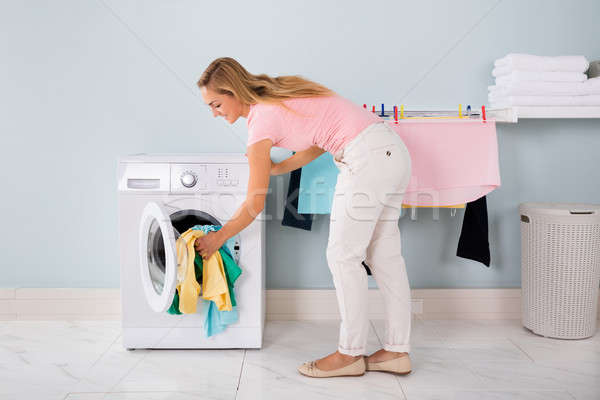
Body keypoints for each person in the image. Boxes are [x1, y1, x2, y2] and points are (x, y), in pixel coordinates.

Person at [194, 57, 413, 378]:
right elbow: (319, 142)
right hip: (391, 151)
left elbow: (254, 203)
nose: (213, 112)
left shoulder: (259, 122)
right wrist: (278, 167)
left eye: (215, 104)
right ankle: (397, 350)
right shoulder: (277, 96)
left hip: (367, 158)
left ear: (233, 92)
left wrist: (218, 237)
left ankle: (350, 354)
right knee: (385, 258)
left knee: (342, 256)